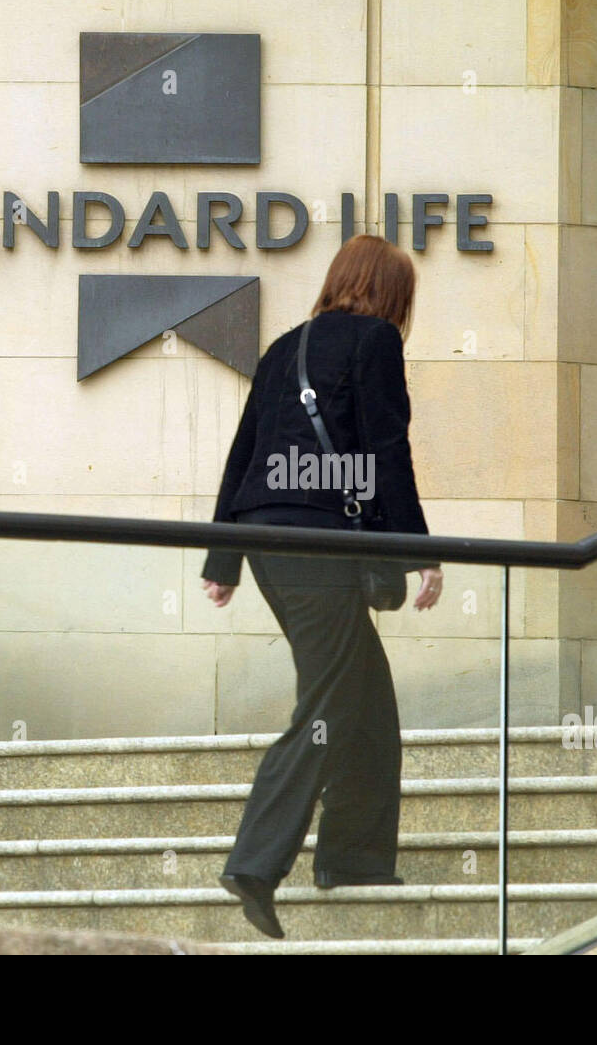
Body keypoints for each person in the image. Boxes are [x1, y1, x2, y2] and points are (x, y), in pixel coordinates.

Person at [200, 234, 443, 939]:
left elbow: (242, 455)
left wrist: (224, 560)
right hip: (316, 543)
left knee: (365, 695)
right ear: (393, 294)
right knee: (331, 699)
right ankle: (254, 859)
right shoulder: (374, 342)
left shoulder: (284, 347)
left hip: (271, 543)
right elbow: (386, 449)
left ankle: (356, 857)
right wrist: (420, 551)